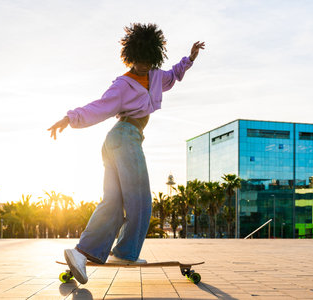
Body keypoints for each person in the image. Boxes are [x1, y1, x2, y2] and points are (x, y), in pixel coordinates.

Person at [48, 23, 205, 284]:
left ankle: (80, 253)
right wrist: (70, 118)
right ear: (130, 57)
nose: (143, 66)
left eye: (148, 61)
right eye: (138, 61)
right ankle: (124, 252)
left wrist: (189, 59)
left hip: (118, 142)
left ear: (154, 57)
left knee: (113, 202)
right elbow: (99, 107)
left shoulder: (155, 76)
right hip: (125, 139)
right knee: (141, 201)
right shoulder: (122, 85)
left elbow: (173, 75)